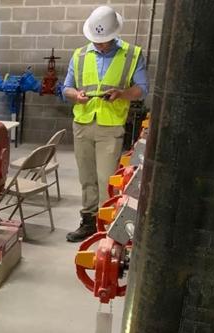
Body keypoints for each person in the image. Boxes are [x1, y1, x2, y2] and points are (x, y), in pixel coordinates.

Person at [63, 5, 148, 242]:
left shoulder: (132, 55)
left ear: (115, 33)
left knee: (106, 179)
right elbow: (66, 88)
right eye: (96, 40)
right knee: (87, 177)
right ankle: (88, 221)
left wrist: (122, 93)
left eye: (104, 40)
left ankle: (106, 225)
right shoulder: (79, 55)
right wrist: (75, 95)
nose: (100, 44)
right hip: (82, 123)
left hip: (110, 126)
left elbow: (142, 90)